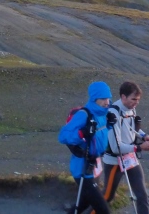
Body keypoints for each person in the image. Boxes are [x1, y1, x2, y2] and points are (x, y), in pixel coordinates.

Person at [59, 81, 112, 214]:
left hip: (93, 166)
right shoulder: (84, 114)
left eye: (108, 98)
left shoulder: (102, 114)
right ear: (94, 99)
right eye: (103, 98)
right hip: (82, 168)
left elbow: (99, 134)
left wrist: (110, 124)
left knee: (84, 203)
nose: (107, 102)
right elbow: (63, 136)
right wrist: (82, 133)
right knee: (103, 210)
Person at [103, 81, 149, 214]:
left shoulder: (130, 109)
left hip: (130, 158)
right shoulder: (112, 114)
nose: (136, 103)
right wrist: (139, 147)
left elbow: (131, 128)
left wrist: (144, 136)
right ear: (123, 96)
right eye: (134, 99)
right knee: (107, 197)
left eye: (138, 100)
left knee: (142, 195)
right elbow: (116, 147)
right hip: (114, 161)